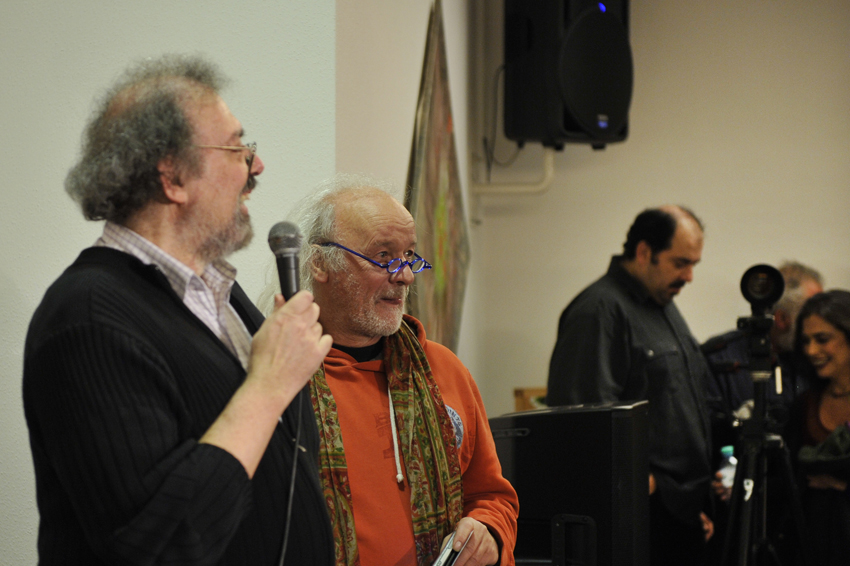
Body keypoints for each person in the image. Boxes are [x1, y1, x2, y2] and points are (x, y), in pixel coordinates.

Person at [22, 55, 334, 566]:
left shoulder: (220, 296)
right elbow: (160, 544)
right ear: (172, 177)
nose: (255, 166)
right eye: (236, 148)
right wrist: (268, 385)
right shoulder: (88, 317)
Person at [287, 175, 519, 566]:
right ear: (320, 263)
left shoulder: (444, 369)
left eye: (409, 255)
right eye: (383, 256)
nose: (405, 275)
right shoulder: (278, 377)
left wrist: (490, 534)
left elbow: (490, 496)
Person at [546, 206, 714, 565]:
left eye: (693, 265)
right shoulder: (599, 310)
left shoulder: (662, 301)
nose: (689, 276)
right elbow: (582, 425)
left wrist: (688, 503)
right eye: (680, 263)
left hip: (681, 510)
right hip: (643, 514)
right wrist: (649, 487)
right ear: (643, 252)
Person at [702, 261, 824, 445]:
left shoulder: (814, 359)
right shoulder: (719, 357)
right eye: (811, 317)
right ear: (782, 319)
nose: (820, 325)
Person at [785, 290, 850, 566]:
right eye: (805, 341)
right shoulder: (805, 404)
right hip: (814, 548)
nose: (811, 351)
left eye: (823, 339)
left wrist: (841, 486)